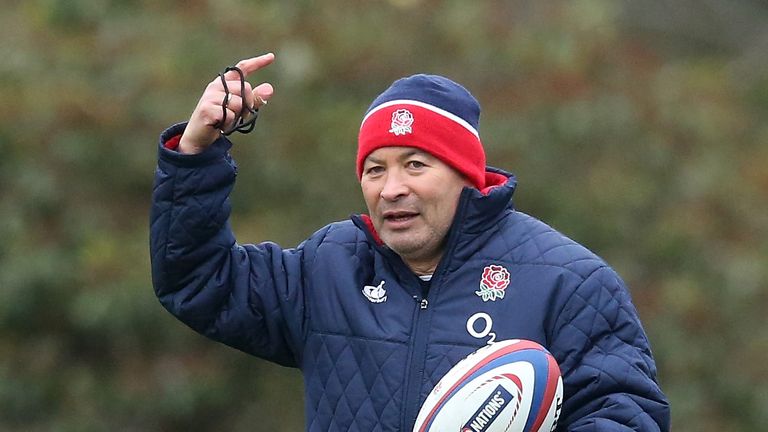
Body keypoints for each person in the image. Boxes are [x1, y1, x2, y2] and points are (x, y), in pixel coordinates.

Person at [150, 53, 670, 431]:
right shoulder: (327, 267)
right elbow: (197, 280)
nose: (391, 187)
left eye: (415, 165)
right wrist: (196, 152)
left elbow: (628, 416)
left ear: (466, 175)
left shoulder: (569, 280)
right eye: (375, 169)